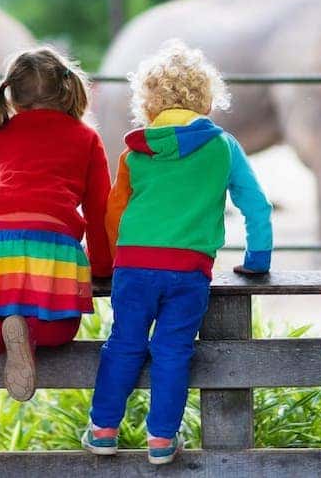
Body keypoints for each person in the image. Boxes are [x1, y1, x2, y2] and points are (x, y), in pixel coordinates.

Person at [81, 40, 272, 464]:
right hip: (189, 270)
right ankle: (162, 440)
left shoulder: (136, 152)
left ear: (148, 102)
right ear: (206, 97)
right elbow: (255, 205)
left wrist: (113, 262)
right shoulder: (222, 146)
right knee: (173, 350)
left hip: (133, 266)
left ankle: (103, 430)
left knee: (124, 344)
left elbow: (115, 212)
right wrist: (258, 260)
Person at [0, 47, 112, 420]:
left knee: (9, 313)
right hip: (51, 239)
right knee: (62, 326)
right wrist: (102, 267)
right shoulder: (85, 138)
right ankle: (28, 334)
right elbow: (100, 208)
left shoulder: (2, 135)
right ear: (68, 90)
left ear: (13, 96)